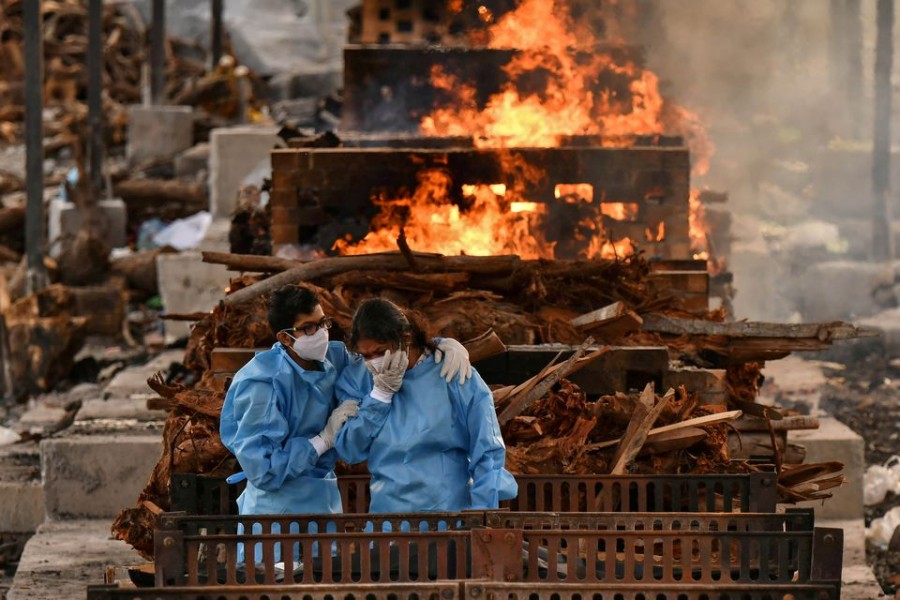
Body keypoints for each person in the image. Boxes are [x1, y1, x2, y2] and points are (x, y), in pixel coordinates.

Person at [220, 285, 473, 519]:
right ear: (285, 338)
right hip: (274, 513)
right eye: (308, 328)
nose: (320, 334)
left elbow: (382, 350)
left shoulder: (335, 356)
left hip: (324, 499)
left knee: (324, 568)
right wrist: (321, 442)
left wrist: (439, 345)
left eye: (322, 323)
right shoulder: (262, 384)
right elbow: (263, 470)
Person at [334, 298, 518, 514]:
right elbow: (349, 450)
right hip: (389, 521)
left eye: (380, 351)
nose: (374, 361)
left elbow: (487, 451)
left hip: (450, 517)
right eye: (366, 355)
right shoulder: (359, 378)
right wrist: (379, 397)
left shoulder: (451, 372)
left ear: (406, 339)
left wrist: (483, 514)